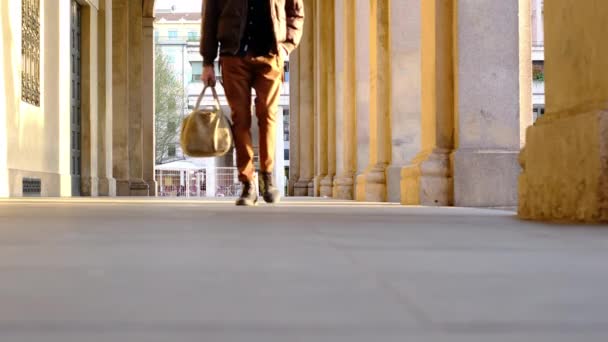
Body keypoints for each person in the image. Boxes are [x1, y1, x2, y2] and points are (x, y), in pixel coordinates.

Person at [200, 0, 305, 206]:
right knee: (240, 118)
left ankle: (267, 177)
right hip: (233, 55)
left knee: (268, 114)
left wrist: (286, 46)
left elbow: (296, 12)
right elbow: (209, 16)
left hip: (270, 55)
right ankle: (247, 183)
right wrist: (207, 61)